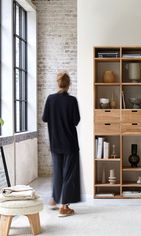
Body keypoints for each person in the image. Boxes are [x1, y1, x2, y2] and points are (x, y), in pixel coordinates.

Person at [42, 71, 81, 217]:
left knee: (57, 172)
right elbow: (76, 121)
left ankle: (53, 200)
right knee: (69, 174)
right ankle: (64, 207)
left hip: (55, 143)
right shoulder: (72, 101)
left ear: (57, 83)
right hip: (70, 143)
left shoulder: (50, 99)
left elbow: (45, 118)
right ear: (69, 84)